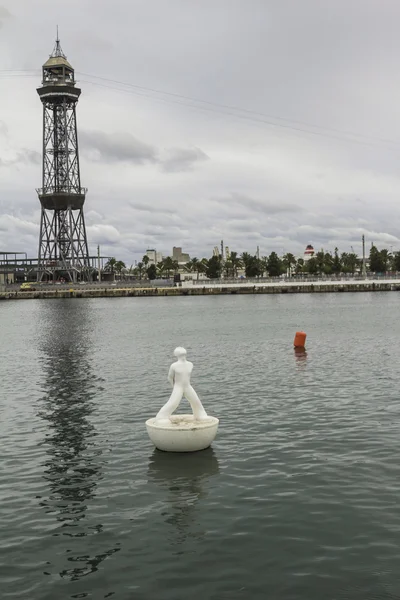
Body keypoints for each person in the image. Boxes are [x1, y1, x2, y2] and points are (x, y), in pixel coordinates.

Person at [156, 347, 208, 421]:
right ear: (177, 355)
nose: (183, 357)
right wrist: (173, 386)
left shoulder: (190, 364)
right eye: (181, 355)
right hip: (178, 387)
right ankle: (162, 416)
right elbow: (170, 377)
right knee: (173, 403)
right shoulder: (174, 366)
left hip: (188, 386)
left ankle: (200, 414)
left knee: (196, 401)